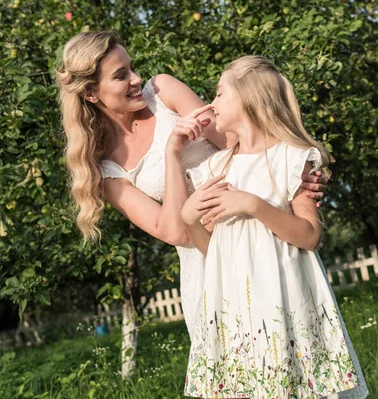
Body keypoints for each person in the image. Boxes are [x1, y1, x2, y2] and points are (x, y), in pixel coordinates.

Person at [55, 31, 329, 337]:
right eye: (121, 75)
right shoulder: (105, 169)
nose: (136, 79)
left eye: (132, 67)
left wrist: (294, 173)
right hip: (204, 259)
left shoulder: (162, 91)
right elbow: (174, 231)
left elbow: (237, 140)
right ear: (91, 93)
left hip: (258, 229)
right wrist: (172, 154)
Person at [181, 55, 367, 398]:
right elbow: (214, 249)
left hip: (285, 300)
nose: (211, 102)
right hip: (235, 303)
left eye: (220, 93)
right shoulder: (215, 168)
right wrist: (190, 218)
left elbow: (309, 236)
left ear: (249, 98)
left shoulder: (291, 157)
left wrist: (254, 205)